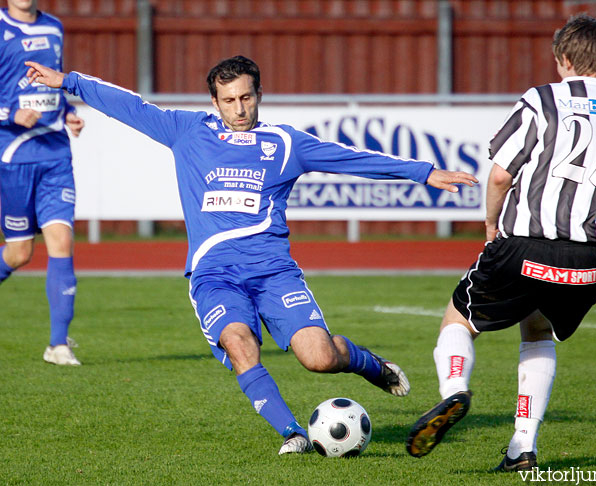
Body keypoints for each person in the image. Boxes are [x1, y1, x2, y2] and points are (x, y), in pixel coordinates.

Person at [25, 55, 479, 454]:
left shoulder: (284, 144)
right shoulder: (188, 132)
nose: (239, 109)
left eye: (246, 98)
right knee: (239, 343)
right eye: (228, 100)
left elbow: (350, 158)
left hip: (274, 273)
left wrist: (424, 172)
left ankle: (368, 364)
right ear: (214, 101)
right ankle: (293, 433)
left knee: (319, 358)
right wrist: (69, 82)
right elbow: (130, 106)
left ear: (258, 94)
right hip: (214, 275)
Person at [405, 14, 596, 471]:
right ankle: (522, 447)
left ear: (563, 59)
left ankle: (454, 392)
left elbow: (500, 174)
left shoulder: (542, 100)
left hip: (526, 244)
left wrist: (490, 226)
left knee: (459, 318)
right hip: (593, 260)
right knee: (537, 329)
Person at [0, 0, 84, 365]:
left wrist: (69, 112)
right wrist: (10, 113)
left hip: (55, 154)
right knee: (19, 253)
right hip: (15, 156)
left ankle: (58, 345)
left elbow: (55, 78)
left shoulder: (54, 27)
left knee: (61, 241)